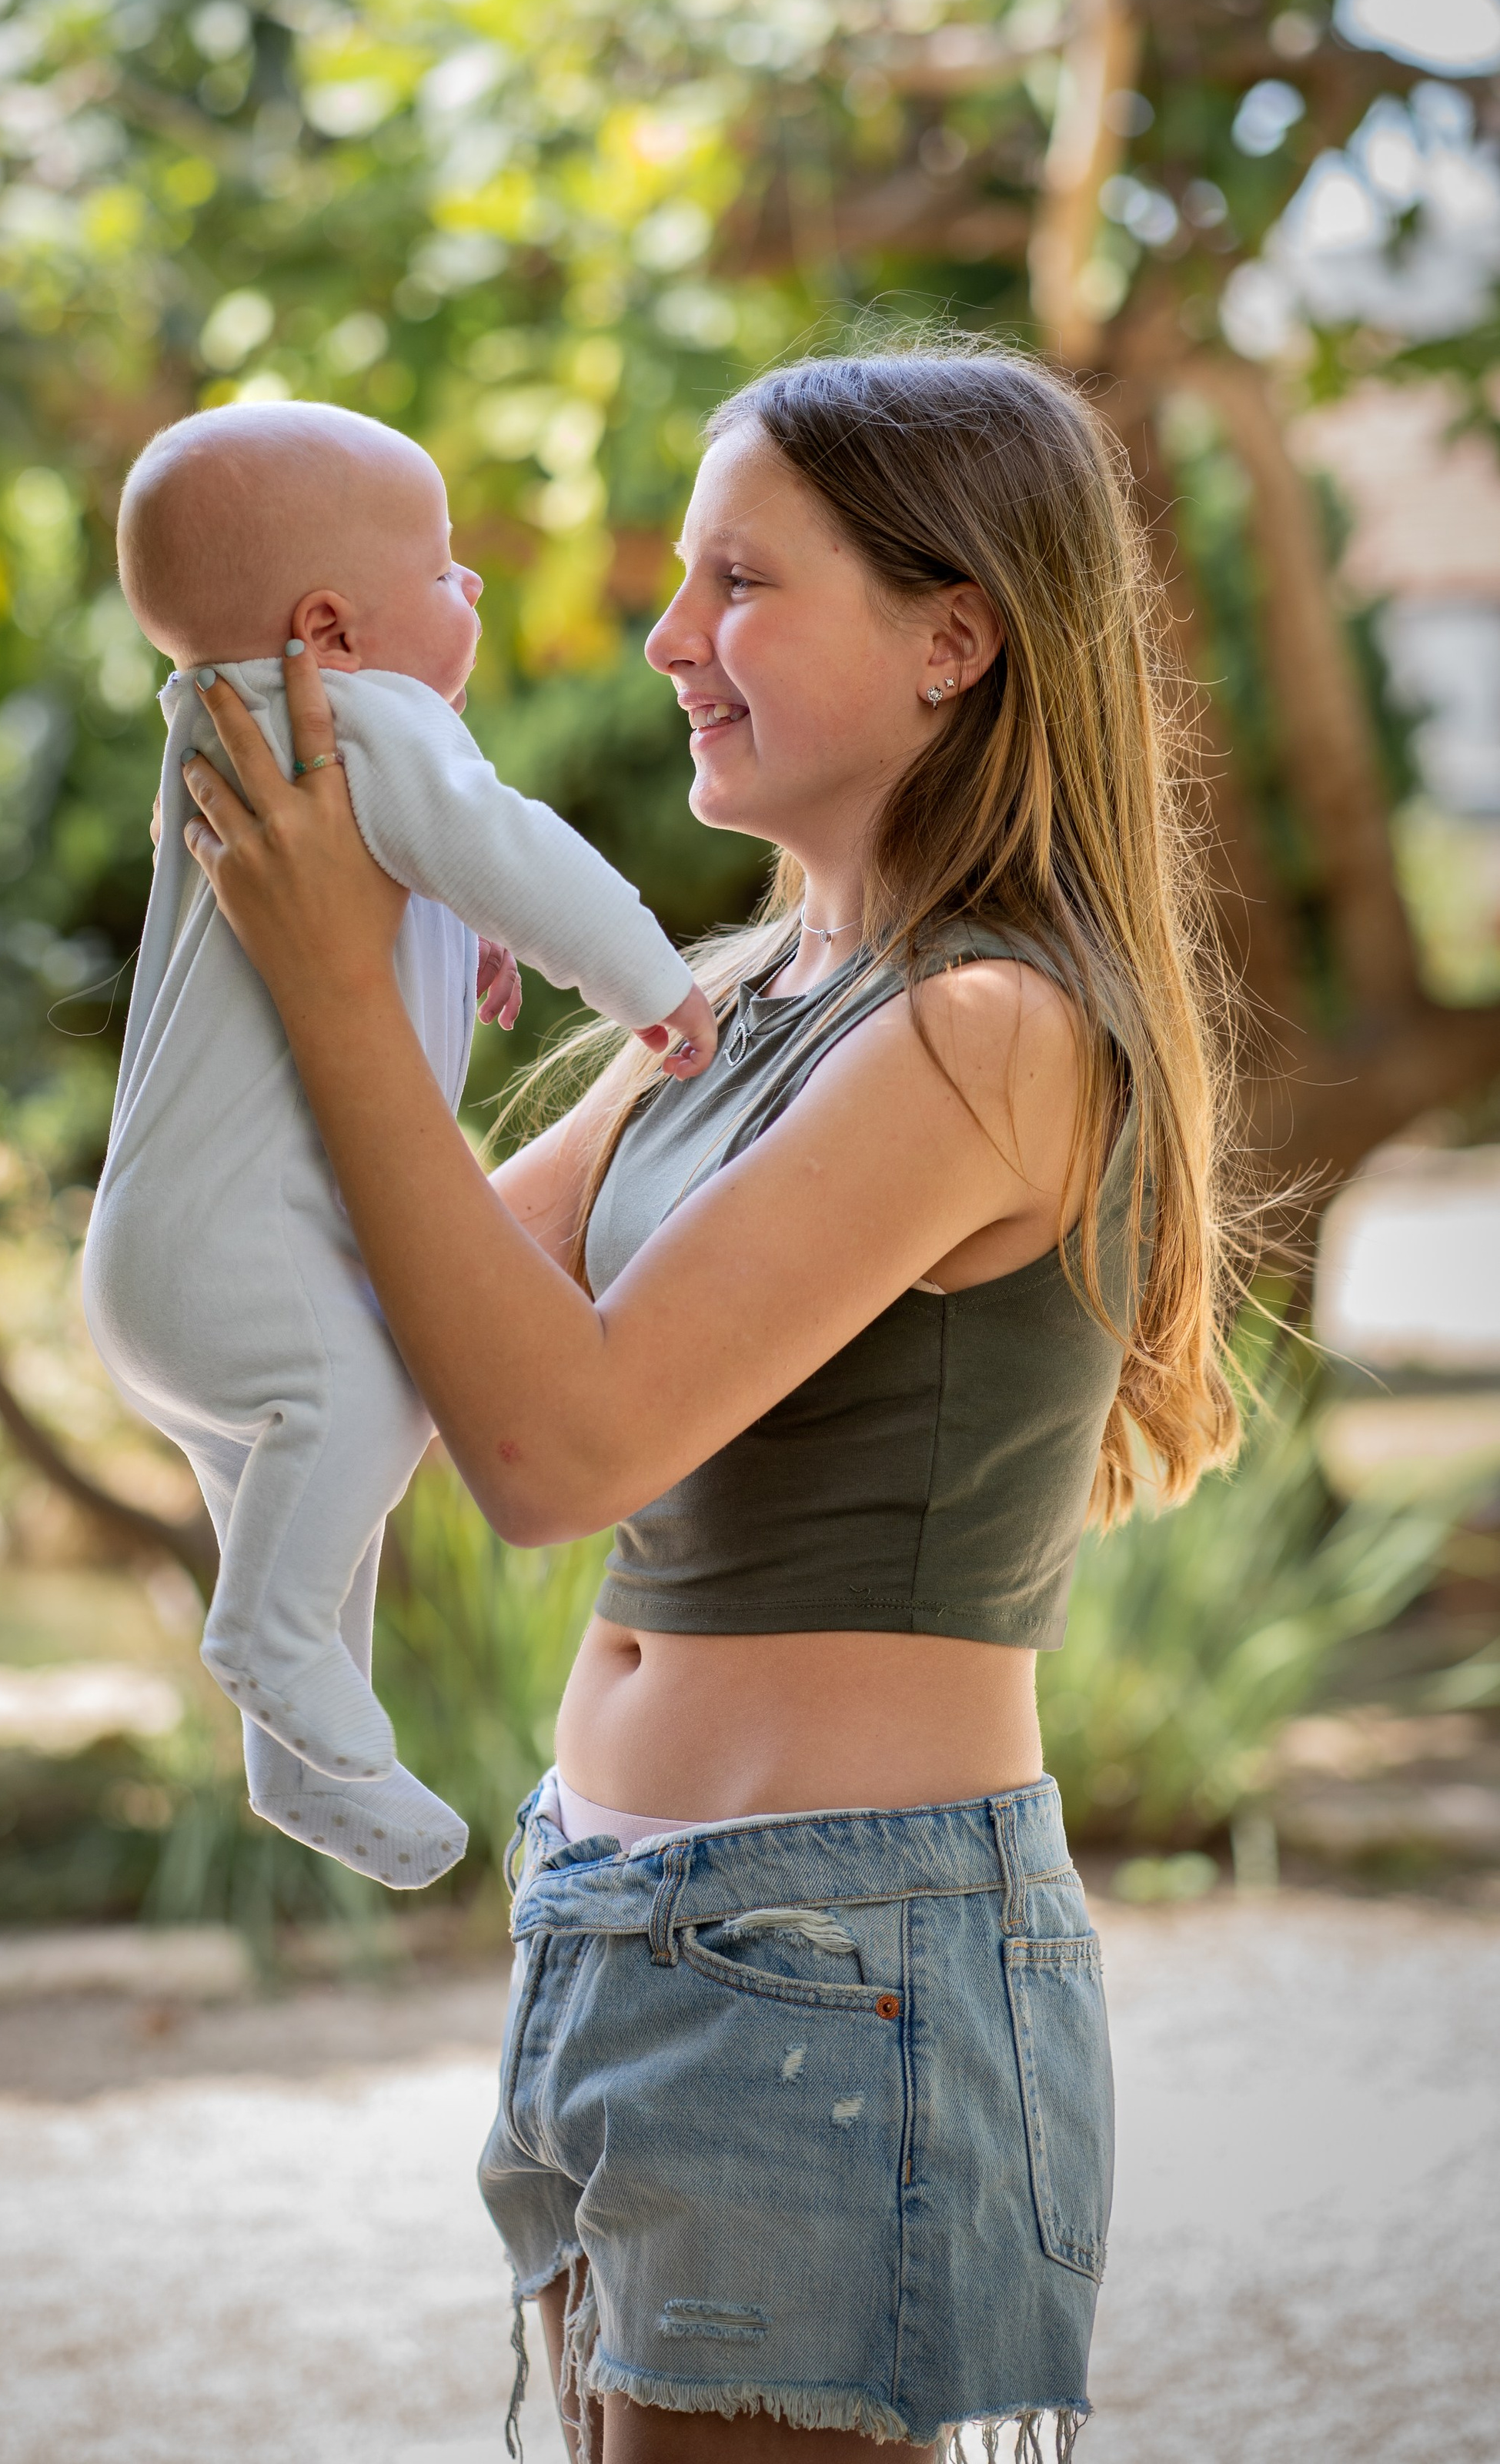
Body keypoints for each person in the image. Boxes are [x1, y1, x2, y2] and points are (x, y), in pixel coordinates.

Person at [172, 350, 1243, 2458]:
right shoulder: (751, 990)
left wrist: (329, 988)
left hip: (836, 1940)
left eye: (739, 581)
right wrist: (339, 931)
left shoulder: (992, 1034)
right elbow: (408, 1319)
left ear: (955, 640)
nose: (668, 641)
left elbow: (560, 1453)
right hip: (626, 1903)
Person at [84, 400, 715, 1893]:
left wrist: (463, 938)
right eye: (442, 570)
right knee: (371, 1407)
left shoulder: (225, 735)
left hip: (166, 1258)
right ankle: (267, 1651)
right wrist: (647, 984)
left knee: (306, 1491)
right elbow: (513, 849)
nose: (475, 590)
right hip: (237, 1252)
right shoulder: (362, 720)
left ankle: (299, 1766)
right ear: (331, 628)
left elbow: (411, 887)